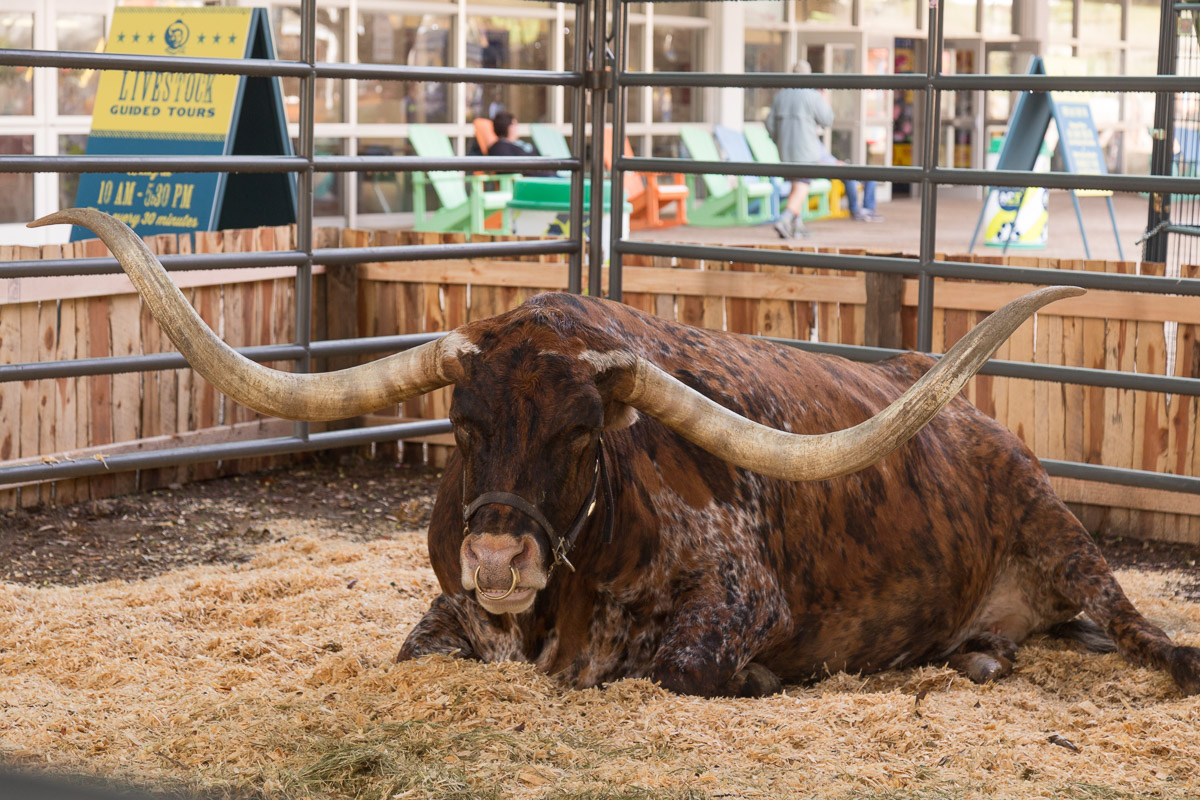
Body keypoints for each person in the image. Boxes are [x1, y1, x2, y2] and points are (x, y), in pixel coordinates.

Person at [766, 61, 834, 239]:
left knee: (796, 186)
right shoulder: (812, 96)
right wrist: (825, 98)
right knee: (803, 186)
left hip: (785, 149)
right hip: (806, 150)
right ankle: (784, 220)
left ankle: (798, 225)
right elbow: (827, 119)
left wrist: (779, 139)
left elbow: (769, 123)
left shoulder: (781, 95)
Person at [818, 142, 884, 222]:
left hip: (839, 167)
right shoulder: (808, 145)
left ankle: (868, 209)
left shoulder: (818, 143)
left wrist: (838, 163)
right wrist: (833, 165)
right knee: (849, 178)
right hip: (829, 171)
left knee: (871, 176)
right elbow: (815, 162)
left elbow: (829, 158)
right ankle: (855, 210)